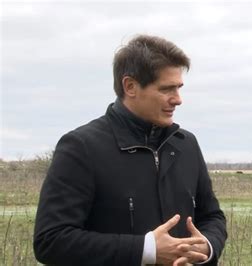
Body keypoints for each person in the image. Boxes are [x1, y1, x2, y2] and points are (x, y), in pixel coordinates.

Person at [34, 35, 227, 266]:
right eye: (166, 89)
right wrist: (145, 251)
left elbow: (212, 217)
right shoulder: (81, 147)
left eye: (179, 87)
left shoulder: (185, 144)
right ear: (130, 86)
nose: (178, 100)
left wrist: (206, 246)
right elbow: (51, 241)